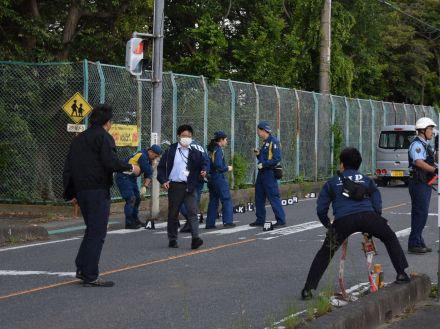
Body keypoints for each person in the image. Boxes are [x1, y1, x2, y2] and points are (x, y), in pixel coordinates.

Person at [301, 147, 410, 300]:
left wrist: (328, 225)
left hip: (343, 220)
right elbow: (377, 201)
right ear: (358, 164)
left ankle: (308, 289)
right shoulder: (366, 180)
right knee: (389, 237)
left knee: (326, 252)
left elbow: (321, 209)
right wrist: (375, 220)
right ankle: (401, 273)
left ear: (342, 164)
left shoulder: (332, 182)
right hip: (368, 216)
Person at [63, 104, 141, 287]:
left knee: (91, 230)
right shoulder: (103, 137)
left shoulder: (79, 139)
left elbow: (69, 167)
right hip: (97, 190)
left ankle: (82, 268)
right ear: (108, 122)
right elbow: (110, 162)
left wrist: (71, 192)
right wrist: (132, 168)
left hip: (82, 191)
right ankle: (90, 274)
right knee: (97, 232)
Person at [157, 124, 207, 249]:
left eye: (189, 136)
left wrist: (204, 170)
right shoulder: (170, 150)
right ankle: (172, 239)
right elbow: (161, 167)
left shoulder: (195, 152)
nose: (186, 138)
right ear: (178, 136)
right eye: (184, 136)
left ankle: (195, 238)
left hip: (190, 186)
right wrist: (163, 181)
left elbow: (204, 162)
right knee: (173, 214)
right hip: (175, 186)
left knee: (192, 212)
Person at [407, 117, 437, 254]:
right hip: (418, 182)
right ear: (423, 130)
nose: (432, 131)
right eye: (430, 129)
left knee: (420, 213)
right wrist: (434, 170)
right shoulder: (417, 144)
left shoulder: (425, 144)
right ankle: (414, 243)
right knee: (421, 212)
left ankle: (418, 241)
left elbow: (435, 161)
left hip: (424, 182)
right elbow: (418, 162)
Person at [115, 144, 162, 229]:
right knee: (131, 198)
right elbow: (148, 170)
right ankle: (129, 223)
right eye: (155, 156)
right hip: (123, 176)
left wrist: (145, 186)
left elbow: (148, 174)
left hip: (131, 178)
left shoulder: (148, 159)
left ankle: (135, 219)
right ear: (150, 151)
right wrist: (153, 166)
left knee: (137, 198)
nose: (155, 158)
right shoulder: (142, 155)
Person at [249, 121, 286, 228]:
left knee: (273, 196)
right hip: (261, 174)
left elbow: (277, 159)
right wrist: (258, 154)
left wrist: (264, 164)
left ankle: (281, 219)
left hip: (269, 173)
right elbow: (263, 158)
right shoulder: (265, 143)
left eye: (258, 130)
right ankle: (260, 219)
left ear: (263, 130)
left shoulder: (274, 142)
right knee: (259, 196)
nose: (257, 133)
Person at [205, 131, 235, 229]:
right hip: (218, 177)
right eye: (226, 140)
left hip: (211, 178)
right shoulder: (218, 150)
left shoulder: (211, 149)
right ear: (221, 140)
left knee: (213, 200)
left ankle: (210, 223)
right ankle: (228, 221)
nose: (226, 141)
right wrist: (227, 168)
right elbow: (218, 165)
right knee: (226, 199)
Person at [179, 139, 210, 233]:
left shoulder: (184, 147)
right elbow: (206, 160)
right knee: (194, 201)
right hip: (200, 177)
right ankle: (192, 222)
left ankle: (191, 220)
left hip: (188, 177)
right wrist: (205, 170)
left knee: (180, 200)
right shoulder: (199, 146)